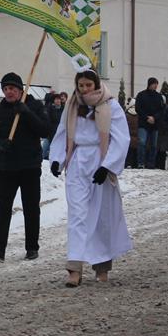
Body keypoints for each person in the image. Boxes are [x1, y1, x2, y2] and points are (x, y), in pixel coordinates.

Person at [49, 69, 132, 286]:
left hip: (99, 158)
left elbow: (121, 138)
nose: (84, 89)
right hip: (78, 161)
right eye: (81, 85)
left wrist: (107, 165)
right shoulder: (72, 106)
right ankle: (74, 267)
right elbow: (62, 132)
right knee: (77, 214)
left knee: (101, 215)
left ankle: (102, 265)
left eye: (88, 85)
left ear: (95, 84)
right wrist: (57, 159)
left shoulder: (110, 106)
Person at [0, 72, 53, 262]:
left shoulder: (35, 106)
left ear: (21, 90)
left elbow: (45, 130)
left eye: (12, 88)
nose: (9, 92)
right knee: (4, 208)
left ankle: (32, 247)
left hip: (30, 166)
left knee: (31, 207)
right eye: (6, 89)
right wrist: (0, 144)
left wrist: (27, 113)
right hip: (8, 167)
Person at [134, 77, 164, 169]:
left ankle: (151, 163)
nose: (155, 86)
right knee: (142, 142)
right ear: (149, 84)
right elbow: (138, 108)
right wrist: (147, 117)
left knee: (154, 145)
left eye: (156, 84)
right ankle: (141, 162)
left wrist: (154, 117)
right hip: (143, 123)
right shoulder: (141, 95)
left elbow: (161, 109)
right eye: (154, 84)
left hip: (155, 124)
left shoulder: (159, 96)